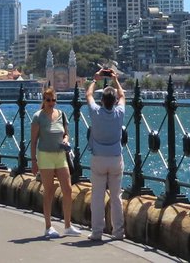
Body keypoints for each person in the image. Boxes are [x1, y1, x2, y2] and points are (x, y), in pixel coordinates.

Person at [30, 87, 81, 239]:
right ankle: (48, 226)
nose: (51, 103)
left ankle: (67, 225)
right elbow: (33, 142)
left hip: (60, 156)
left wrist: (66, 140)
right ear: (43, 101)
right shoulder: (38, 117)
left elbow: (66, 134)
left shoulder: (62, 115)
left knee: (67, 189)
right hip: (45, 156)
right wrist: (34, 161)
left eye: (53, 100)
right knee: (49, 190)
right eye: (48, 100)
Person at [85, 67, 126, 242]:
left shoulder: (95, 112)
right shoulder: (119, 112)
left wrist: (95, 79)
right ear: (114, 101)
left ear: (102, 100)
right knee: (116, 197)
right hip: (116, 157)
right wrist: (115, 79)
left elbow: (88, 95)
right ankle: (118, 232)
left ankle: (97, 232)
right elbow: (123, 96)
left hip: (98, 158)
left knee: (97, 196)